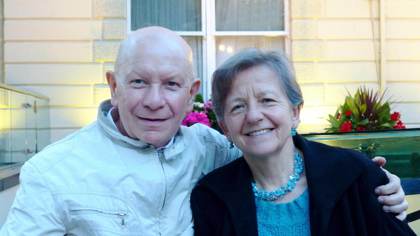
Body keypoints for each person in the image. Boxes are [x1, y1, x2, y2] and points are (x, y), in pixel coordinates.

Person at [0, 27, 407, 235]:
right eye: (139, 82)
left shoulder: (208, 148)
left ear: (192, 93)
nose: (155, 101)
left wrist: (378, 183)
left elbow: (275, 152)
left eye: (172, 85)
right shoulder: (53, 171)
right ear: (113, 86)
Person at [190, 49, 415, 235]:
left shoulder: (355, 175)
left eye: (267, 100)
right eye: (238, 106)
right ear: (224, 126)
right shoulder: (211, 198)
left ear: (295, 112)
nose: (253, 116)